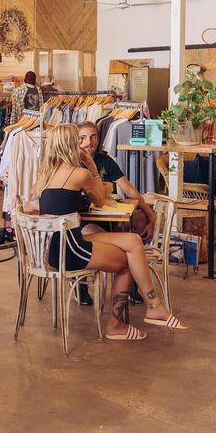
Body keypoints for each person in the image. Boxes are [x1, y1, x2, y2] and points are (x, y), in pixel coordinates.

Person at [25, 124, 186, 341]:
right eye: (78, 140)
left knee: (133, 241)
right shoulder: (79, 173)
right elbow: (100, 198)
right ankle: (120, 322)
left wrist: (41, 206)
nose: (83, 144)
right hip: (70, 249)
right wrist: (91, 164)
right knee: (130, 260)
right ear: (70, 144)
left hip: (52, 248)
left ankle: (153, 306)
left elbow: (30, 202)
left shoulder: (45, 175)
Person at [76, 120, 158, 305]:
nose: (89, 142)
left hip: (107, 219)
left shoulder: (105, 161)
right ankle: (81, 286)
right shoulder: (72, 163)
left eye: (93, 136)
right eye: (83, 138)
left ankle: (131, 286)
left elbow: (129, 190)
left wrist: (150, 214)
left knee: (138, 220)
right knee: (116, 243)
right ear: (75, 141)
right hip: (82, 222)